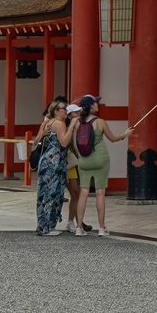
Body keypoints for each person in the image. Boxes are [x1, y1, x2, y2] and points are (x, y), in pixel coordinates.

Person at [68, 95, 117, 235]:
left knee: (83, 193)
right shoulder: (100, 122)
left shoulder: (77, 122)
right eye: (96, 103)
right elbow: (113, 139)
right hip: (100, 158)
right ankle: (102, 228)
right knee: (100, 193)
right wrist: (125, 134)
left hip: (84, 160)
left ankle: (79, 228)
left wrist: (81, 155)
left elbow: (75, 143)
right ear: (91, 106)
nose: (98, 104)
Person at [32, 98, 71, 235]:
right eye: (63, 109)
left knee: (43, 193)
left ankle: (41, 224)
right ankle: (48, 227)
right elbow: (64, 143)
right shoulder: (60, 124)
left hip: (45, 161)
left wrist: (42, 134)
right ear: (56, 111)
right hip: (55, 162)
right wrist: (71, 127)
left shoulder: (46, 123)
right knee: (53, 193)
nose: (66, 111)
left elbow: (35, 142)